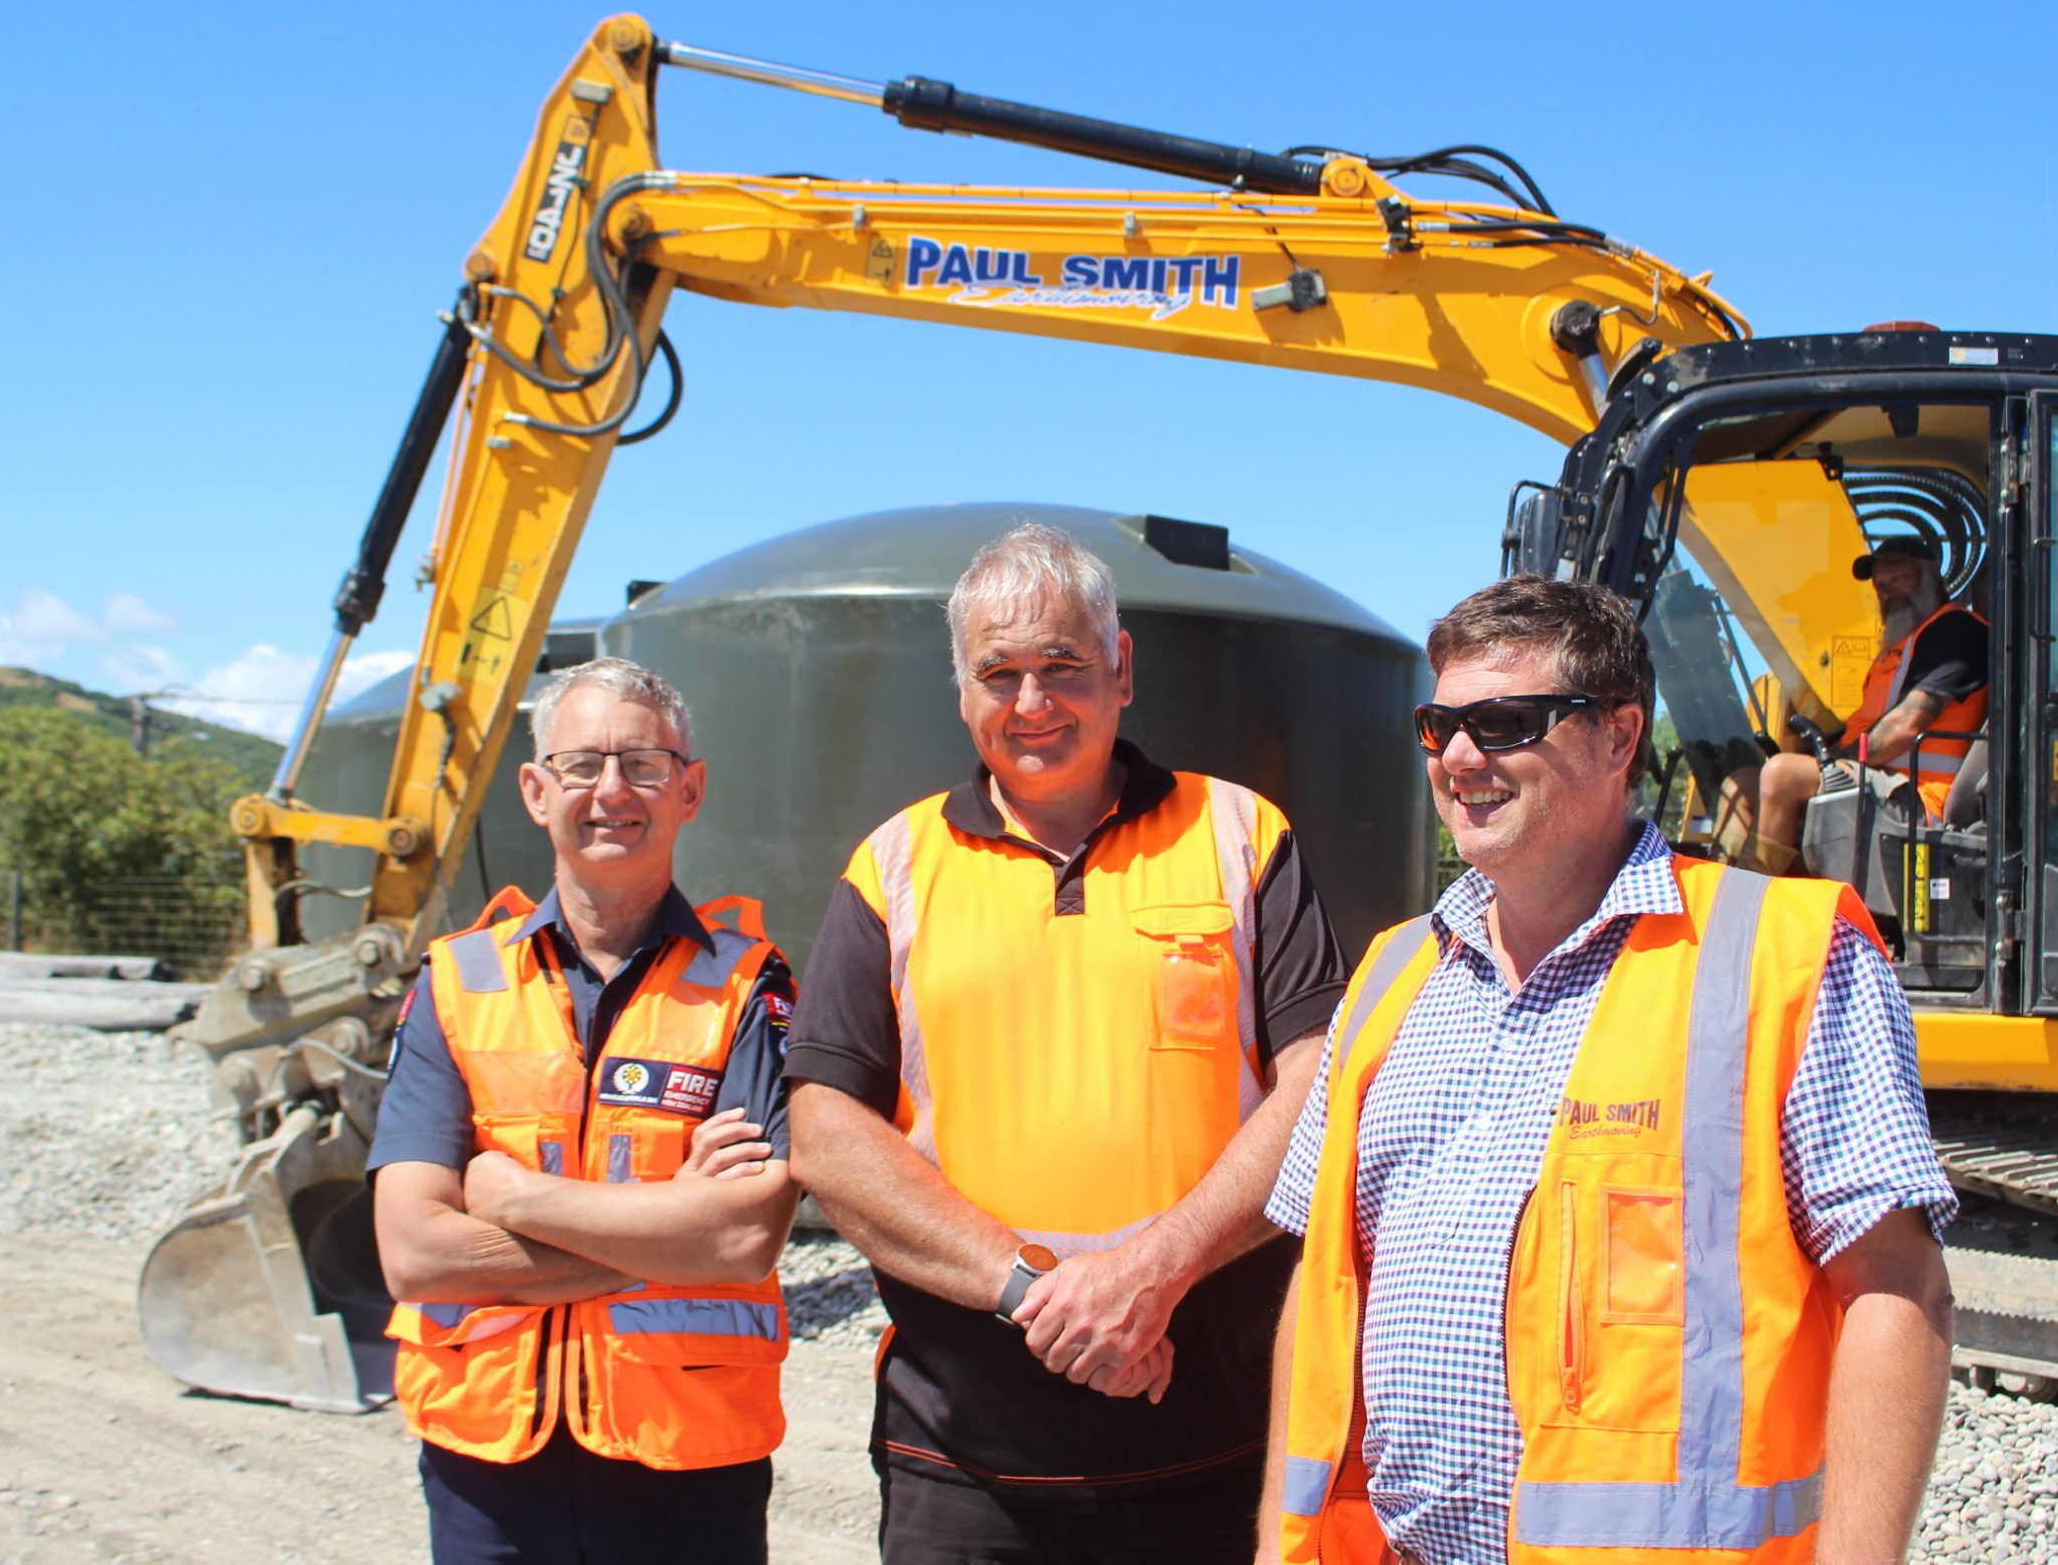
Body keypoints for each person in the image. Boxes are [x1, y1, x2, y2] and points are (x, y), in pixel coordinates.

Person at [1261, 576, 1956, 1565]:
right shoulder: (1389, 976)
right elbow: (1321, 1287)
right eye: (1438, 725)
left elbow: (1896, 1292)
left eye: (1503, 722)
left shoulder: (1780, 958)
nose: (1459, 757)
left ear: (1618, 737)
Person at [786, 521, 1350, 1565]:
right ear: (960, 690)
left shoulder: (1238, 832)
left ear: (1121, 669)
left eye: (1063, 666)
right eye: (998, 672)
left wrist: (1156, 1270)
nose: (1032, 703)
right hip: (962, 1465)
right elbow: (822, 1131)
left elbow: (1320, 1088)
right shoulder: (895, 864)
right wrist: (1041, 1292)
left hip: (1212, 1447)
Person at [368, 656, 799, 1565]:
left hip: (688, 1465)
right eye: (581, 765)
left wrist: (512, 1196)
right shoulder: (457, 982)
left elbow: (738, 1242)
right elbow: (413, 1252)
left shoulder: (747, 988)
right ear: (535, 789)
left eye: (643, 764)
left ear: (690, 788)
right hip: (489, 1470)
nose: (612, 790)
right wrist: (662, 1227)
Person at [1715, 536, 1988, 875]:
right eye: (1881, 586)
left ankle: (1748, 904)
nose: (1889, 593)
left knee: (1781, 776)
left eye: (1899, 579)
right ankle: (1721, 884)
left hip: (1921, 796)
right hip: (1882, 780)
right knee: (1741, 783)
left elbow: (1906, 725)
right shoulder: (1900, 646)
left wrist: (1830, 764)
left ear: (1931, 573)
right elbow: (1866, 724)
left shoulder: (1958, 631)